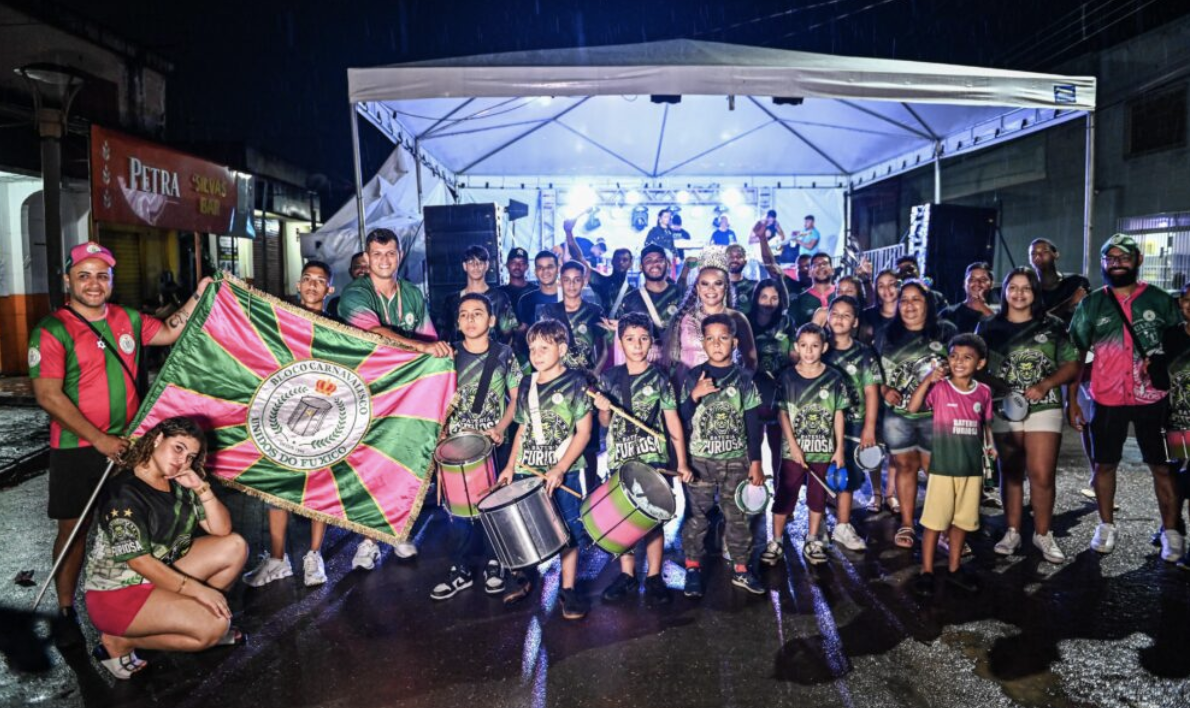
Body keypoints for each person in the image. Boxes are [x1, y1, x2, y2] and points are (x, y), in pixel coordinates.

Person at [29, 242, 211, 641]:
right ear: (68, 280)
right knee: (75, 530)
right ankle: (65, 610)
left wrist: (201, 294)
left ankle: (138, 596)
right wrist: (98, 439)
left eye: (102, 275)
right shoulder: (53, 329)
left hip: (131, 445)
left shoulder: (126, 318)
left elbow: (168, 332)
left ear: (111, 280)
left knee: (138, 522)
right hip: (77, 448)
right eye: (84, 275)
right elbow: (48, 395)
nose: (94, 284)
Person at [83, 417, 248, 679]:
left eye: (191, 456)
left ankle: (192, 616)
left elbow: (222, 530)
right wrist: (200, 591)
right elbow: (139, 562)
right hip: (118, 593)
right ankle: (120, 640)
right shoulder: (124, 492)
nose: (182, 460)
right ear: (158, 439)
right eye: (178, 448)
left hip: (159, 574)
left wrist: (201, 488)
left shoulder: (178, 481)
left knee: (235, 546)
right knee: (214, 626)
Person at [338, 228, 450, 565]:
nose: (384, 260)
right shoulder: (354, 294)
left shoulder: (413, 293)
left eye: (390, 253)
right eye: (377, 254)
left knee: (403, 464)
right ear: (367, 259)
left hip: (405, 395)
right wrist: (420, 346)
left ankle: (399, 531)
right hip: (366, 393)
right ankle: (367, 540)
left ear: (399, 255)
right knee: (368, 468)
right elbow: (372, 333)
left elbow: (431, 340)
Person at [1068, 234, 1183, 561]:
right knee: (1104, 464)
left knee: (1164, 467)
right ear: (1104, 263)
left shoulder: (1160, 301)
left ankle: (1171, 531)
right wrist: (1073, 399)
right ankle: (1106, 525)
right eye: (1110, 258)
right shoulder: (1092, 304)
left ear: (1138, 260)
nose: (1117, 263)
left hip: (1156, 399)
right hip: (1106, 399)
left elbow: (1179, 349)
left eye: (1124, 257)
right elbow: (1079, 353)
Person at [242, 260, 339, 588]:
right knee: (278, 488)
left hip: (323, 417)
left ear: (330, 289)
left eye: (320, 281)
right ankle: (278, 559)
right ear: (298, 285)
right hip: (282, 415)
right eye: (307, 279)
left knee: (318, 490)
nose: (312, 285)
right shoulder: (279, 320)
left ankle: (314, 556)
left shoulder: (339, 330)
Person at [976, 267, 1079, 564]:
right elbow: (978, 369)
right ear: (1005, 291)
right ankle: (1012, 531)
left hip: (1044, 405)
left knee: (1041, 473)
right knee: (1010, 471)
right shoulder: (988, 327)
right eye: (1013, 288)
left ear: (1035, 293)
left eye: (1026, 288)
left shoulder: (1053, 326)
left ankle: (1043, 533)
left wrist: (1045, 384)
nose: (1019, 294)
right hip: (1004, 407)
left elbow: (1071, 365)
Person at [593, 313, 693, 605]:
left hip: (654, 460)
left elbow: (673, 422)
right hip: (620, 460)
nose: (637, 345)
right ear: (620, 342)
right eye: (629, 339)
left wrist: (682, 462)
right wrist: (603, 407)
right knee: (623, 518)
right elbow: (603, 422)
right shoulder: (610, 377)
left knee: (653, 520)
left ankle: (654, 576)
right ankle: (627, 574)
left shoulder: (661, 377)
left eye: (643, 338)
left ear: (651, 341)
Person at [497, 320, 593, 618]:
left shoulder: (577, 382)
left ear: (562, 349)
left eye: (544, 347)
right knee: (525, 524)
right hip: (530, 468)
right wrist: (510, 466)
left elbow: (584, 432)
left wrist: (562, 468)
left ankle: (568, 589)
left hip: (566, 470)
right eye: (532, 349)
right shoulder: (527, 383)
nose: (536, 354)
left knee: (569, 530)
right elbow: (522, 429)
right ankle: (523, 575)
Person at [432, 293, 521, 600]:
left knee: (492, 507)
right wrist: (441, 434)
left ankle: (495, 563)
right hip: (455, 449)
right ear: (457, 322)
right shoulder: (448, 355)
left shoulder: (505, 354)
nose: (470, 319)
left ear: (492, 320)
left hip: (492, 447)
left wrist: (500, 428)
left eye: (478, 313)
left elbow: (516, 398)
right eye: (464, 314)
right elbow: (436, 400)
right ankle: (460, 569)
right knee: (456, 514)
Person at [679, 313, 766, 596]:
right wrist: (694, 395)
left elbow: (754, 423)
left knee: (737, 516)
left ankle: (741, 568)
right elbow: (679, 418)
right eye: (711, 339)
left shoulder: (744, 379)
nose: (717, 344)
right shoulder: (694, 376)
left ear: (735, 342)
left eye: (724, 338)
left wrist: (756, 462)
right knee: (696, 517)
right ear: (702, 342)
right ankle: (692, 567)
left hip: (736, 461)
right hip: (700, 462)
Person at [908, 334, 994, 596]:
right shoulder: (941, 388)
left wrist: (991, 446)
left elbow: (985, 425)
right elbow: (912, 408)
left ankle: (955, 568)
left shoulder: (984, 392)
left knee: (962, 522)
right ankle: (927, 571)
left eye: (967, 358)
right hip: (943, 469)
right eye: (954, 356)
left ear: (980, 364)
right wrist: (927, 381)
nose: (958, 362)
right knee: (934, 522)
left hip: (971, 470)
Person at [875, 279, 958, 549]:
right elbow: (873, 372)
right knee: (905, 467)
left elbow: (963, 366)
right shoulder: (887, 333)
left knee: (935, 469)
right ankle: (907, 524)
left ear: (928, 303)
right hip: (898, 416)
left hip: (937, 415)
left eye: (916, 299)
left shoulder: (945, 331)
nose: (909, 305)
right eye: (904, 300)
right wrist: (885, 390)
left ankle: (942, 527)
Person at [763, 323, 849, 566]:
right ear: (796, 347)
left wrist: (839, 448)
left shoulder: (833, 378)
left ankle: (812, 539)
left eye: (814, 346)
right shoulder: (787, 377)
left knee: (818, 494)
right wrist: (794, 446)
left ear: (824, 347)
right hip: (794, 451)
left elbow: (838, 415)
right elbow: (782, 415)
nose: (809, 351)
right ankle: (776, 540)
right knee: (785, 492)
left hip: (823, 451)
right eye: (803, 345)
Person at [823, 295, 884, 532]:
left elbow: (871, 392)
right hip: (824, 426)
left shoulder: (865, 353)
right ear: (827, 317)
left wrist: (869, 428)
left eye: (846, 315)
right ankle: (817, 530)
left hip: (855, 424)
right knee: (824, 474)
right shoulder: (820, 349)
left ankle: (843, 526)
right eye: (835, 313)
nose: (839, 319)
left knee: (847, 474)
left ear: (855, 322)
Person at [664, 248, 758, 383]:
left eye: (717, 283)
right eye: (705, 284)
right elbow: (670, 361)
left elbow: (751, 362)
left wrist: (736, 387)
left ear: (726, 286)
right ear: (697, 287)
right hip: (686, 391)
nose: (711, 289)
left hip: (723, 393)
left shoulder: (737, 319)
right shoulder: (684, 318)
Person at [748, 279, 796, 478]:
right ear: (756, 297)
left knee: (779, 444)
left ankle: (780, 493)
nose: (768, 302)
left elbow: (795, 353)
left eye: (774, 298)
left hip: (781, 388)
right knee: (753, 442)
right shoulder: (745, 320)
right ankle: (752, 492)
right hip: (753, 389)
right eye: (764, 296)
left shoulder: (787, 322)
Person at [1162, 283, 1190, 570]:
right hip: (1177, 419)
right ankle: (1171, 526)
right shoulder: (1171, 336)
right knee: (1176, 477)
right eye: (1187, 299)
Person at [439, 245, 517, 344]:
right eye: (471, 262)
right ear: (464, 266)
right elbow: (444, 335)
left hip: (492, 356)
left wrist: (497, 355)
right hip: (459, 356)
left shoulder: (500, 298)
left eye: (480, 262)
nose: (476, 266)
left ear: (487, 265)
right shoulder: (451, 301)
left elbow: (508, 333)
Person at [613, 244, 685, 338]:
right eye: (648, 261)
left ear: (667, 264)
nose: (655, 264)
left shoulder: (681, 293)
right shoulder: (629, 300)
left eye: (659, 260)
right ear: (641, 267)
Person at [565, 218, 633, 314]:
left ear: (630, 264)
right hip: (603, 328)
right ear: (612, 262)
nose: (620, 262)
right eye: (617, 259)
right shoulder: (602, 282)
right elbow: (578, 258)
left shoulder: (634, 292)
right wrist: (568, 232)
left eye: (625, 260)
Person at [1030, 238, 1089, 325]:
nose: (1038, 256)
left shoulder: (1077, 282)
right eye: (1033, 253)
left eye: (1044, 251)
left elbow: (1092, 313)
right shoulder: (1030, 291)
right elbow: (1037, 323)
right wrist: (1070, 302)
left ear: (1056, 255)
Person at [941, 262, 995, 334]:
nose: (977, 283)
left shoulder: (999, 315)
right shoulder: (949, 313)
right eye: (972, 279)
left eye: (983, 280)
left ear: (991, 284)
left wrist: (981, 306)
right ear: (964, 284)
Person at [516, 251, 563, 329]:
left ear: (558, 269)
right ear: (535, 272)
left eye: (550, 267)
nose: (545, 271)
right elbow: (523, 333)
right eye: (540, 268)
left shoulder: (568, 297)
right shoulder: (526, 300)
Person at [790, 253, 837, 327]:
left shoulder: (842, 294)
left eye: (825, 264)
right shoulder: (798, 301)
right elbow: (790, 331)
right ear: (810, 272)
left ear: (832, 270)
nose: (821, 266)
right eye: (816, 265)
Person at [859, 269, 900, 346]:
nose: (886, 289)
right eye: (881, 286)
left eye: (891, 284)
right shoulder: (868, 316)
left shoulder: (908, 315)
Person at [326, 251, 367, 319]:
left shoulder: (382, 300)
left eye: (367, 266)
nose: (362, 269)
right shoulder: (336, 303)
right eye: (357, 267)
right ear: (350, 272)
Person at [726, 244, 757, 315]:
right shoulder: (716, 285)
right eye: (730, 257)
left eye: (739, 257)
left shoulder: (753, 286)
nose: (734, 260)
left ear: (745, 262)